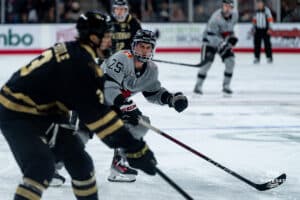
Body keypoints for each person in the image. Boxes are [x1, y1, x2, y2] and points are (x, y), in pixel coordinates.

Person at [0, 11, 157, 200]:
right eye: (107, 36)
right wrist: (135, 147)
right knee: (40, 168)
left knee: (81, 162)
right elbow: (97, 118)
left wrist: (132, 145)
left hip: (42, 112)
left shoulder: (77, 53)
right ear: (93, 37)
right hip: (17, 114)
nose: (111, 41)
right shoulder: (81, 64)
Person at [102, 29, 188, 182]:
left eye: (149, 47)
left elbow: (153, 92)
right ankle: (54, 166)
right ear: (134, 46)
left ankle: (119, 163)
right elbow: (107, 86)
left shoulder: (151, 69)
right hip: (90, 100)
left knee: (141, 123)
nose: (145, 50)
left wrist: (171, 99)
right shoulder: (122, 58)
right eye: (141, 46)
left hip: (116, 104)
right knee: (78, 134)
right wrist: (125, 105)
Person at [193, 0, 239, 95]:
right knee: (206, 64)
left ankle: (226, 86)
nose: (226, 8)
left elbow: (229, 30)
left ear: (232, 8)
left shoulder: (235, 15)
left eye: (229, 6)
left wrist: (232, 37)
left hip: (222, 42)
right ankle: (198, 86)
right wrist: (224, 43)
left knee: (230, 60)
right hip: (209, 42)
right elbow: (210, 36)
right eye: (225, 6)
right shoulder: (215, 18)